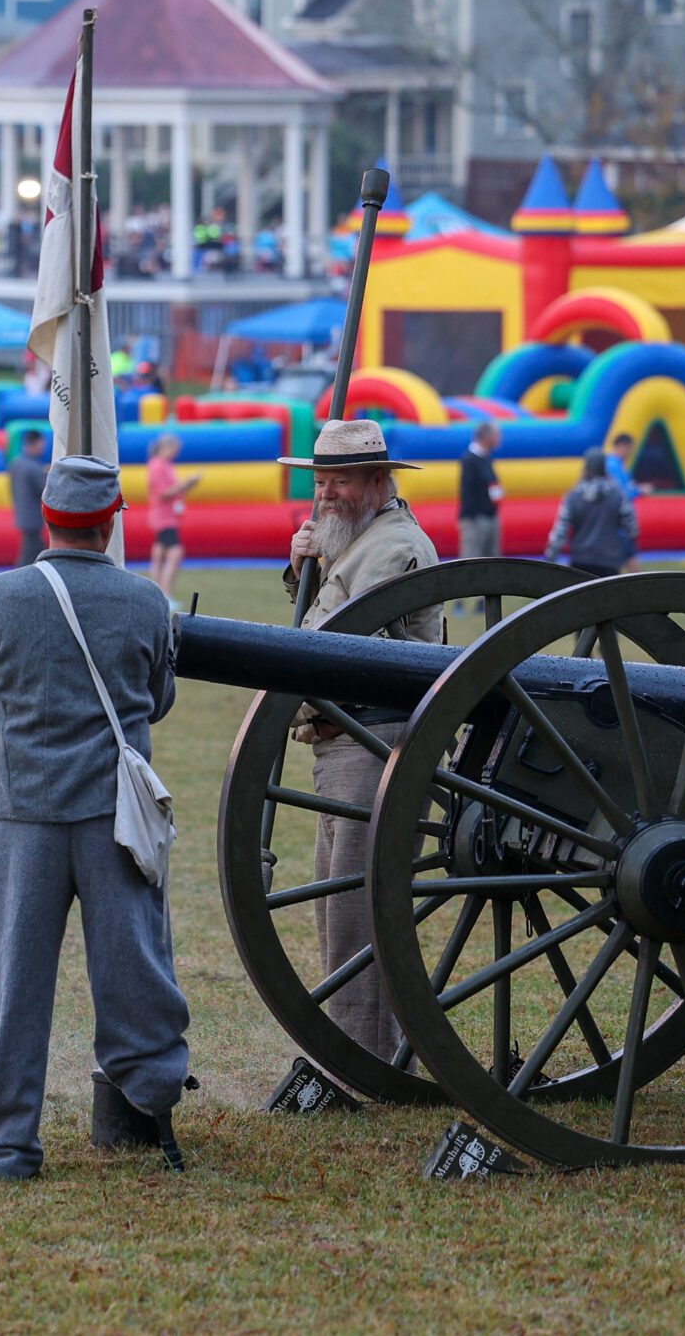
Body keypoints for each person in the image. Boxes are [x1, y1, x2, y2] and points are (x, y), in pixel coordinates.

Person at [0, 455, 189, 1179]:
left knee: (13, 993)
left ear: (47, 517)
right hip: (116, 820)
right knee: (137, 975)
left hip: (24, 817)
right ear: (111, 522)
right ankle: (151, 1101)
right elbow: (159, 700)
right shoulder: (147, 601)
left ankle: (3, 1146)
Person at [275, 420, 442, 1062]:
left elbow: (349, 650)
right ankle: (365, 1051)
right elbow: (326, 620)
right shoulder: (358, 539)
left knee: (354, 908)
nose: (325, 494)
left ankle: (365, 1057)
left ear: (378, 481)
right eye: (320, 481)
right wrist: (303, 570)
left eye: (339, 481)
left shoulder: (393, 548)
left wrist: (284, 702)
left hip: (377, 741)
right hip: (345, 741)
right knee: (335, 903)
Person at [545, 450, 639, 576]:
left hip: (580, 561)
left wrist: (551, 558)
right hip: (609, 562)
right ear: (604, 468)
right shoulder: (617, 494)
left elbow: (560, 532)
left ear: (586, 468)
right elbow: (632, 528)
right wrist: (625, 549)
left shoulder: (573, 496)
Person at [455, 418, 503, 609]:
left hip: (490, 516)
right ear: (486, 437)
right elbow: (466, 492)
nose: (499, 439)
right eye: (496, 435)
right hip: (476, 519)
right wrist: (468, 517)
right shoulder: (469, 460)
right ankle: (459, 600)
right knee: (470, 559)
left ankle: (483, 601)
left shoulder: (487, 458)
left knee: (491, 559)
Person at [144, 432, 200, 595]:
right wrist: (186, 483)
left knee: (160, 552)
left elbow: (172, 491)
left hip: (169, 516)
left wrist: (187, 486)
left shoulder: (165, 465)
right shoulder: (157, 465)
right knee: (175, 552)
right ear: (165, 447)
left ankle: (161, 592)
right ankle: (166, 592)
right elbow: (164, 493)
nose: (177, 452)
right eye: (175, 448)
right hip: (163, 517)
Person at [7, 428, 49, 565]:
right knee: (31, 554)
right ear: (36, 444)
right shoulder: (33, 467)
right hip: (33, 517)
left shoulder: (16, 464)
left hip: (22, 515)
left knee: (33, 551)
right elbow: (44, 490)